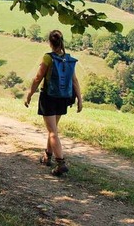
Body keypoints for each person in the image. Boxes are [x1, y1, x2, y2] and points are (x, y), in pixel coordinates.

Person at [24, 29, 83, 176]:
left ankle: (60, 162)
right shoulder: (67, 59)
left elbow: (38, 78)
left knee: (52, 132)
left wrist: (29, 94)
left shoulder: (48, 58)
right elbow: (74, 80)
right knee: (53, 129)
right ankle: (47, 157)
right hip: (63, 98)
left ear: (50, 42)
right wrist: (79, 100)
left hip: (49, 97)